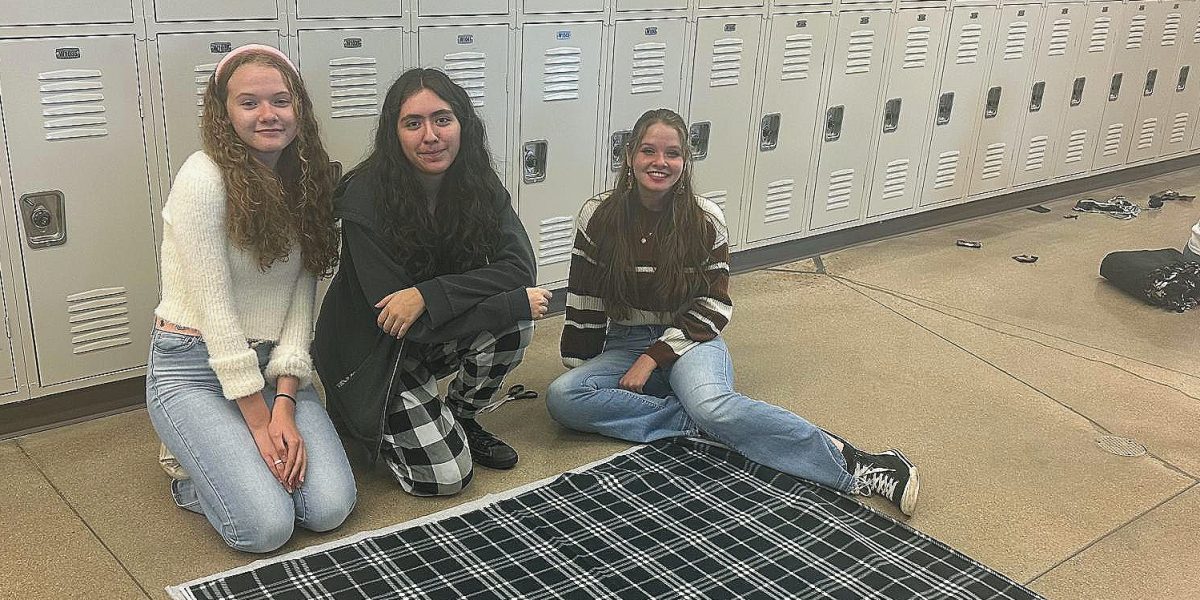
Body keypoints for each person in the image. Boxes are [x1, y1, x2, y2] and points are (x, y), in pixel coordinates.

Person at [545, 108, 921, 516]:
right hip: (624, 340)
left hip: (691, 339)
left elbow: (714, 305)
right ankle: (702, 425)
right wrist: (582, 366)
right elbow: (584, 296)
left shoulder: (706, 220)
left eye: (672, 153)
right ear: (630, 156)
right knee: (564, 398)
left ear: (685, 162)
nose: (660, 162)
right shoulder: (597, 215)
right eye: (649, 151)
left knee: (713, 405)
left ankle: (860, 465)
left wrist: (652, 359)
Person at [146, 44, 357, 553]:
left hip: (272, 368)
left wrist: (284, 402)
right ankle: (187, 469)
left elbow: (300, 303)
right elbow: (216, 314)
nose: (268, 114)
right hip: (194, 367)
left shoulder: (310, 180)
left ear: (298, 108)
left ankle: (228, 456)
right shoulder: (203, 178)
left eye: (281, 101)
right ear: (224, 113)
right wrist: (259, 423)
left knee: (328, 509)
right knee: (265, 528)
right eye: (249, 103)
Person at [314, 68, 550, 497]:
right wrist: (504, 303)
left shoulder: (476, 181)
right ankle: (359, 416)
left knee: (515, 324)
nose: (431, 135)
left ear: (462, 124)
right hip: (375, 350)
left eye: (442, 119)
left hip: (432, 324)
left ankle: (459, 416)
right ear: (394, 133)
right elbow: (406, 323)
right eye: (413, 123)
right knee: (445, 478)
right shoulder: (365, 197)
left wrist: (427, 293)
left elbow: (518, 268)